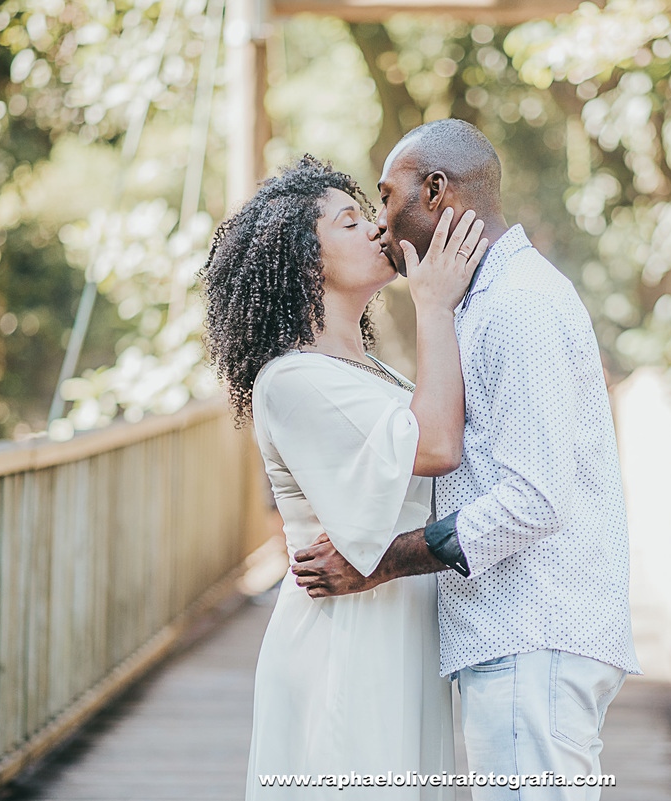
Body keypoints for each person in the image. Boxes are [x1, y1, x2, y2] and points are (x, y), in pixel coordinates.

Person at [292, 120, 641, 799]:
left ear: (436, 191)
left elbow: (533, 500)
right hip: (519, 639)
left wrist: (381, 559)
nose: (382, 226)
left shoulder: (518, 305)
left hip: (532, 634)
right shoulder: (480, 304)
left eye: (388, 199)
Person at [199, 154, 488, 799]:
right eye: (350, 221)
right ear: (306, 262)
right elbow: (437, 445)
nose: (378, 229)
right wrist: (433, 304)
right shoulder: (294, 379)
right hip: (345, 646)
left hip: (397, 624)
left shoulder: (371, 372)